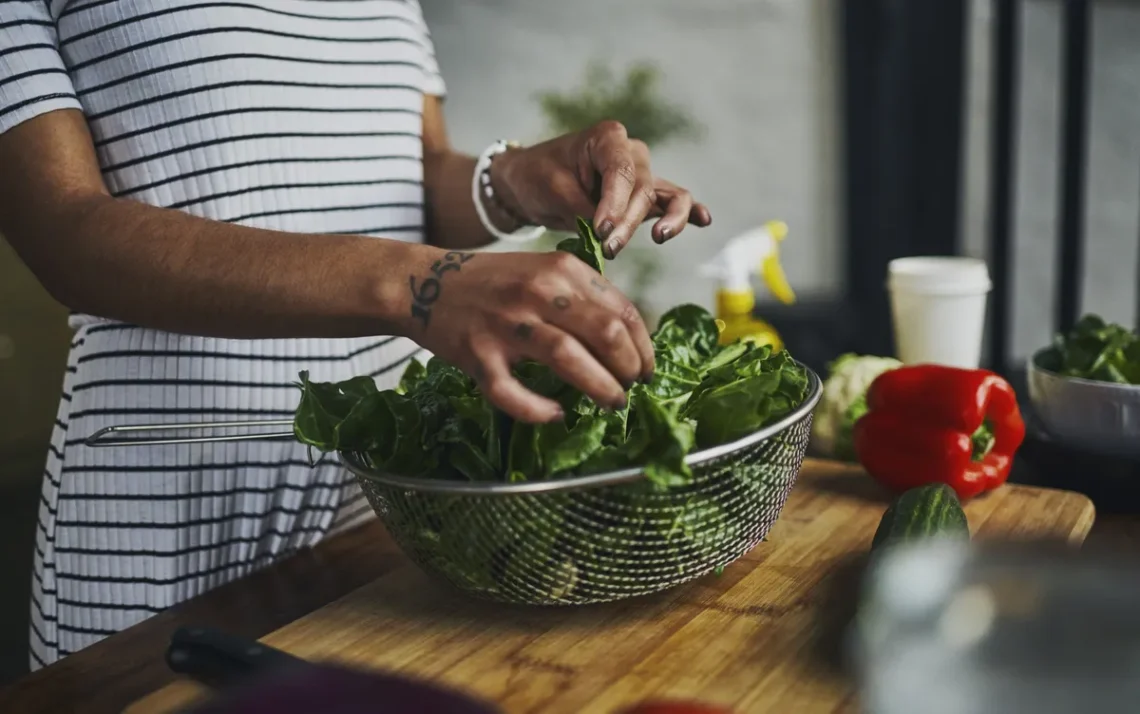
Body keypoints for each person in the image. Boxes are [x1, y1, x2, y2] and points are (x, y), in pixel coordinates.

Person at [0, 0, 711, 669]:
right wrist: (416, 283)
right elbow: (62, 232)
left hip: (387, 502)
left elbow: (411, 172)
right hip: (173, 512)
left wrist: (514, 180)